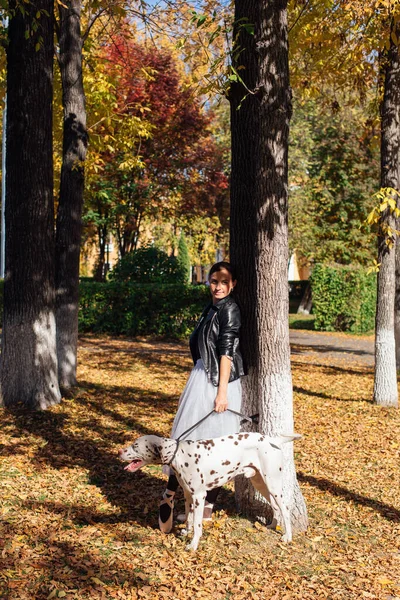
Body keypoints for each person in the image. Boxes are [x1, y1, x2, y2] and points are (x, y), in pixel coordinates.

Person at [159, 261, 245, 533]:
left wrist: (221, 393)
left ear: (233, 285)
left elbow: (226, 351)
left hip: (218, 382)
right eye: (214, 281)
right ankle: (171, 497)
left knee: (216, 448)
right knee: (185, 440)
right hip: (202, 377)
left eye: (223, 282)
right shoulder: (211, 308)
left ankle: (204, 509)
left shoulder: (230, 309)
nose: (218, 286)